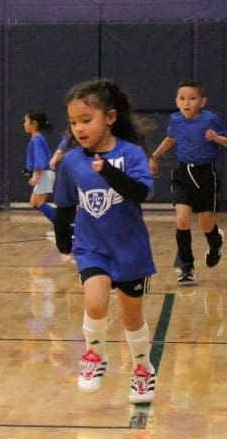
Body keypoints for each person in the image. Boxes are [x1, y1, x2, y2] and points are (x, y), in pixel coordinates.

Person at [53, 77, 157, 404]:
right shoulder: (71, 160)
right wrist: (63, 241)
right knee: (95, 303)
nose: (79, 129)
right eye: (73, 123)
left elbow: (141, 192)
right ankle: (95, 356)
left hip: (129, 249)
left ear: (109, 118)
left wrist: (109, 171)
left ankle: (142, 369)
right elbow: (66, 204)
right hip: (91, 246)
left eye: (86, 120)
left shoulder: (131, 153)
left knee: (131, 317)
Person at [147, 80, 227, 284]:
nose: (186, 102)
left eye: (192, 98)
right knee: (182, 220)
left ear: (202, 102)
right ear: (176, 101)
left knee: (205, 224)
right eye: (182, 98)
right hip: (182, 174)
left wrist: (217, 138)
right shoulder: (176, 120)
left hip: (206, 176)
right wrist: (154, 156)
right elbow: (171, 138)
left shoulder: (211, 119)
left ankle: (215, 241)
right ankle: (186, 267)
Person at [23, 108, 56, 233]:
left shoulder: (37, 140)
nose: (24, 124)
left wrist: (36, 176)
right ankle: (61, 223)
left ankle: (61, 226)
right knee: (34, 202)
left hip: (44, 174)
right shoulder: (36, 139)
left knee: (38, 202)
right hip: (44, 174)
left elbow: (39, 161)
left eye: (26, 121)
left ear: (34, 124)